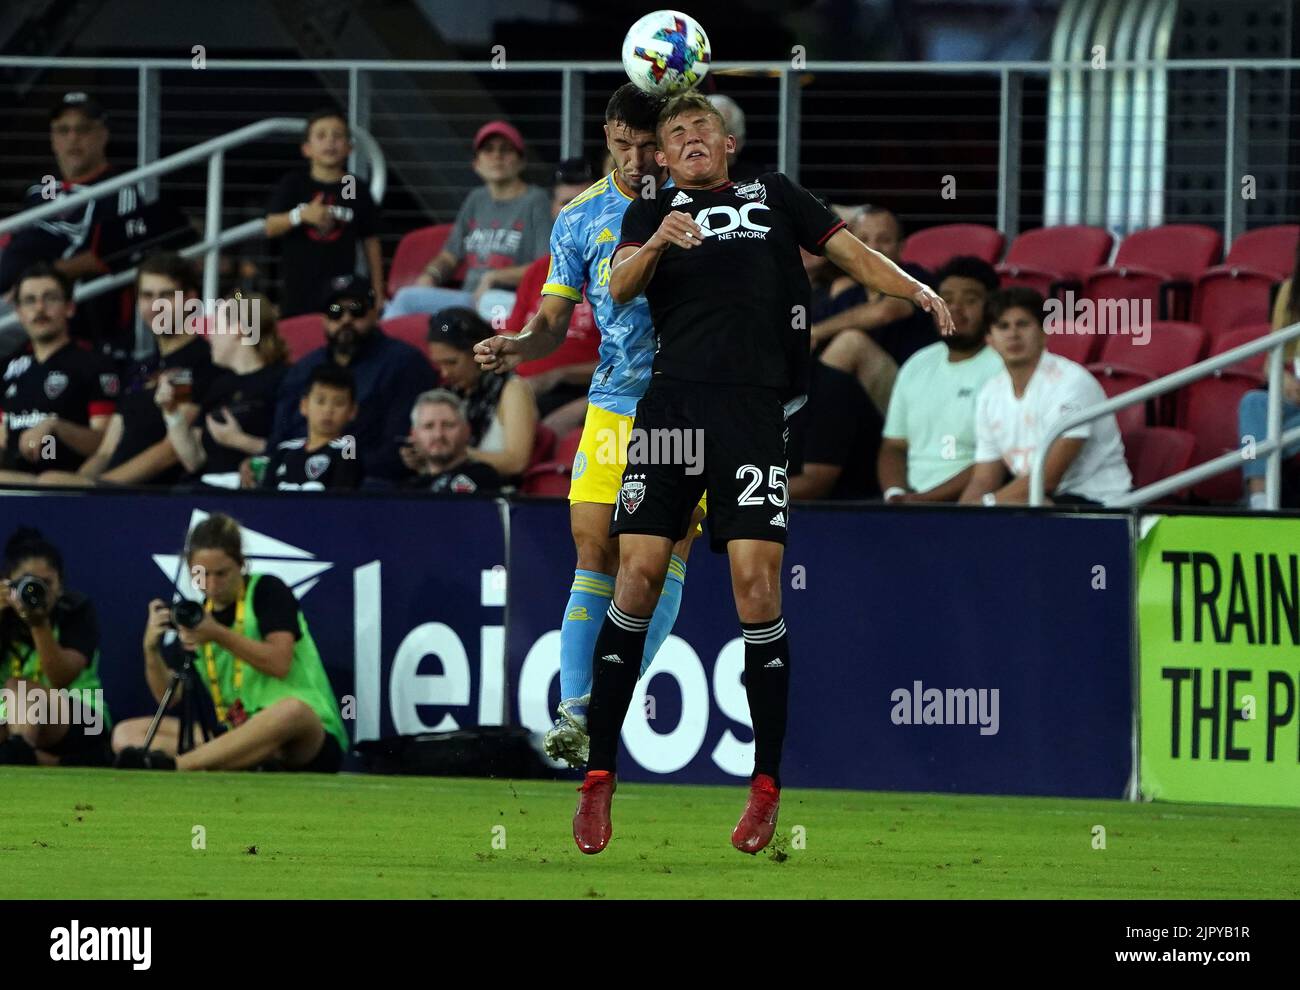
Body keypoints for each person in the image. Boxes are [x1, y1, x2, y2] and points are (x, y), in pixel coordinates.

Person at [585, 91, 953, 855]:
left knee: (757, 587)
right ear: (661, 154)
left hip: (755, 414)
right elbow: (617, 291)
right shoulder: (652, 206)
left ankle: (765, 784)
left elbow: (849, 253)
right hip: (672, 408)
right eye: (675, 133)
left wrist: (914, 287)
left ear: (726, 145)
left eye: (701, 130)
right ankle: (598, 775)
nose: (688, 140)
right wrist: (658, 244)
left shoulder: (772, 192)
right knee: (637, 575)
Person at [473, 84, 705, 768]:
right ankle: (576, 712)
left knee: (657, 560)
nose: (637, 159)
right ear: (607, 135)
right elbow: (551, 321)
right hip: (613, 401)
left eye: (648, 146)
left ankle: (607, 702)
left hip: (686, 406)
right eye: (624, 144)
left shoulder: (701, 203)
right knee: (591, 544)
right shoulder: (577, 219)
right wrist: (520, 344)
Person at [113, 512, 347, 772]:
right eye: (201, 575)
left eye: (222, 573)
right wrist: (151, 650)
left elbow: (279, 663)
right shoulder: (198, 616)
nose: (211, 585)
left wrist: (217, 634)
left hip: (304, 736)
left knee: (292, 711)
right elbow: (168, 696)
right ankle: (234, 758)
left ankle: (178, 766)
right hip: (240, 732)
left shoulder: (267, 590)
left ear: (241, 564)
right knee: (126, 734)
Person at [36, 252, 220, 487]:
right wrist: (80, 483)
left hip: (151, 498)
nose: (156, 306)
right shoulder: (140, 367)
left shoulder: (198, 361)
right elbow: (106, 450)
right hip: (111, 492)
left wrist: (101, 485)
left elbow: (170, 449)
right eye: (147, 296)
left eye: (166, 295)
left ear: (191, 300)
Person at [959, 287, 1131, 507]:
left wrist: (986, 505)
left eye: (1022, 324)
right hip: (1039, 500)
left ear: (1043, 332)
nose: (1013, 334)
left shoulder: (1072, 382)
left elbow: (1048, 479)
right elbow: (984, 478)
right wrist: (961, 514)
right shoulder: (990, 393)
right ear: (990, 340)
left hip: (1099, 500)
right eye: (1003, 326)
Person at [266, 275, 438, 481]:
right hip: (293, 476)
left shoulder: (405, 364)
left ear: (375, 313)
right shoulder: (304, 368)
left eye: (357, 310)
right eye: (335, 312)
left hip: (368, 482)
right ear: (323, 319)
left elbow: (397, 450)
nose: (346, 320)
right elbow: (279, 435)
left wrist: (338, 466)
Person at [384, 120, 551, 323]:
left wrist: (494, 277)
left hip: (508, 300)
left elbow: (545, 264)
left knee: (406, 299)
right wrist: (430, 276)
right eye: (488, 150)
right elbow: (450, 256)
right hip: (470, 299)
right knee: (407, 298)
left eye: (506, 150)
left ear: (521, 162)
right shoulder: (476, 199)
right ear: (476, 164)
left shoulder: (536, 200)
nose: (497, 156)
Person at [880, 257, 1004, 503]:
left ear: (991, 307)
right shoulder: (917, 363)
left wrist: (925, 500)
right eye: (946, 298)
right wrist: (895, 494)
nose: (955, 308)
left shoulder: (1004, 366)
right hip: (909, 502)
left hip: (972, 504)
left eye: (970, 300)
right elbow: (893, 446)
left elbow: (999, 459)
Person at [504, 161, 602, 434]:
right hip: (525, 388)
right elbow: (514, 332)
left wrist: (560, 375)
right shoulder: (537, 269)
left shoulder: (617, 267)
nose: (575, 211)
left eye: (586, 202)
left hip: (582, 392)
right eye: (566, 202)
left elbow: (629, 359)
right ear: (552, 209)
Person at [0, 526, 111, 766]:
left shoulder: (75, 610)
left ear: (61, 585)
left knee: (20, 687)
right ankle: (46, 760)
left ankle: (19, 750)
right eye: (27, 584)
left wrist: (38, 624)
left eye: (45, 583)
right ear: (9, 585)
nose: (35, 591)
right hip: (8, 717)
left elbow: (61, 678)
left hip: (81, 719)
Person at [0, 263, 118, 484]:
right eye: (29, 300)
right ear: (19, 313)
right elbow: (2, 439)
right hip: (13, 486)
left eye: (50, 298)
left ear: (70, 307)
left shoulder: (94, 364)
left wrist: (56, 427)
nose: (39, 309)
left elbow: (104, 445)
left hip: (69, 487)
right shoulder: (8, 368)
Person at [265, 109, 384, 318]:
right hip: (297, 292)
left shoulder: (353, 185)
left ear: (350, 148)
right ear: (306, 149)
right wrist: (300, 215)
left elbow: (370, 241)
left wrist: (378, 292)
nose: (330, 142)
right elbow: (270, 227)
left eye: (338, 136)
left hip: (342, 292)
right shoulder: (294, 183)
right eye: (321, 136)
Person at [166, 292, 289, 489]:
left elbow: (296, 448)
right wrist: (171, 412)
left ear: (238, 330)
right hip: (206, 489)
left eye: (215, 326)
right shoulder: (219, 385)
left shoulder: (283, 380)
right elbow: (193, 460)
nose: (209, 335)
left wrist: (240, 441)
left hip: (253, 492)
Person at [421, 307, 537, 481]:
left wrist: (457, 455)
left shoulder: (512, 389)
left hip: (493, 492)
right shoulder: (449, 392)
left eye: (451, 363)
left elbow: (517, 462)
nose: (444, 373)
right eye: (439, 365)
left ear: (479, 352)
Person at [1239, 245, 1300, 509]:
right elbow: (1271, 362)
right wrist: (1284, 380)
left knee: (1266, 437)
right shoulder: (1291, 291)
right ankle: (1260, 500)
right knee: (1253, 403)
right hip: (1295, 399)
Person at [261, 364, 361, 492]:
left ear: (352, 411)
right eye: (320, 401)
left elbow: (340, 505)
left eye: (339, 403)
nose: (328, 410)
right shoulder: (283, 450)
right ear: (304, 405)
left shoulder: (348, 452)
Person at [403, 389, 501, 494]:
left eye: (448, 425)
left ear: (467, 431)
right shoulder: (408, 491)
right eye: (429, 426)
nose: (438, 434)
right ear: (414, 435)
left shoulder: (484, 478)